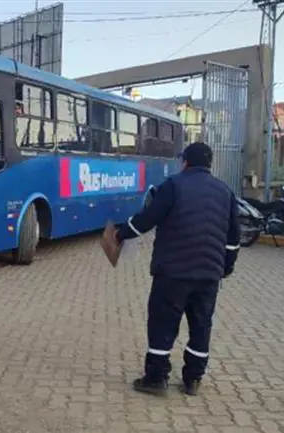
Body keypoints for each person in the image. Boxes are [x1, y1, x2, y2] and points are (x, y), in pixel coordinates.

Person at [115, 141, 241, 397]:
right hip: (208, 275)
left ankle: (156, 378)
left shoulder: (173, 185)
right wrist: (224, 268)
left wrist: (121, 233)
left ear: (185, 161)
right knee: (201, 325)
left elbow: (148, 219)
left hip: (173, 273)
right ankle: (193, 378)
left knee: (163, 324)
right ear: (209, 164)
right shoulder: (225, 191)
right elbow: (233, 239)